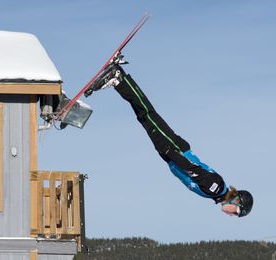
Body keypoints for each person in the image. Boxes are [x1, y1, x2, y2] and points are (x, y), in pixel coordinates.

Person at [86, 62, 253, 217]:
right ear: (236, 200)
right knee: (147, 114)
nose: (232, 214)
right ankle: (119, 77)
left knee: (144, 117)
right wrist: (170, 153)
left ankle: (118, 82)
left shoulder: (215, 193)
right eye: (237, 211)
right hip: (175, 150)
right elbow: (191, 169)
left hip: (172, 154)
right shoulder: (215, 188)